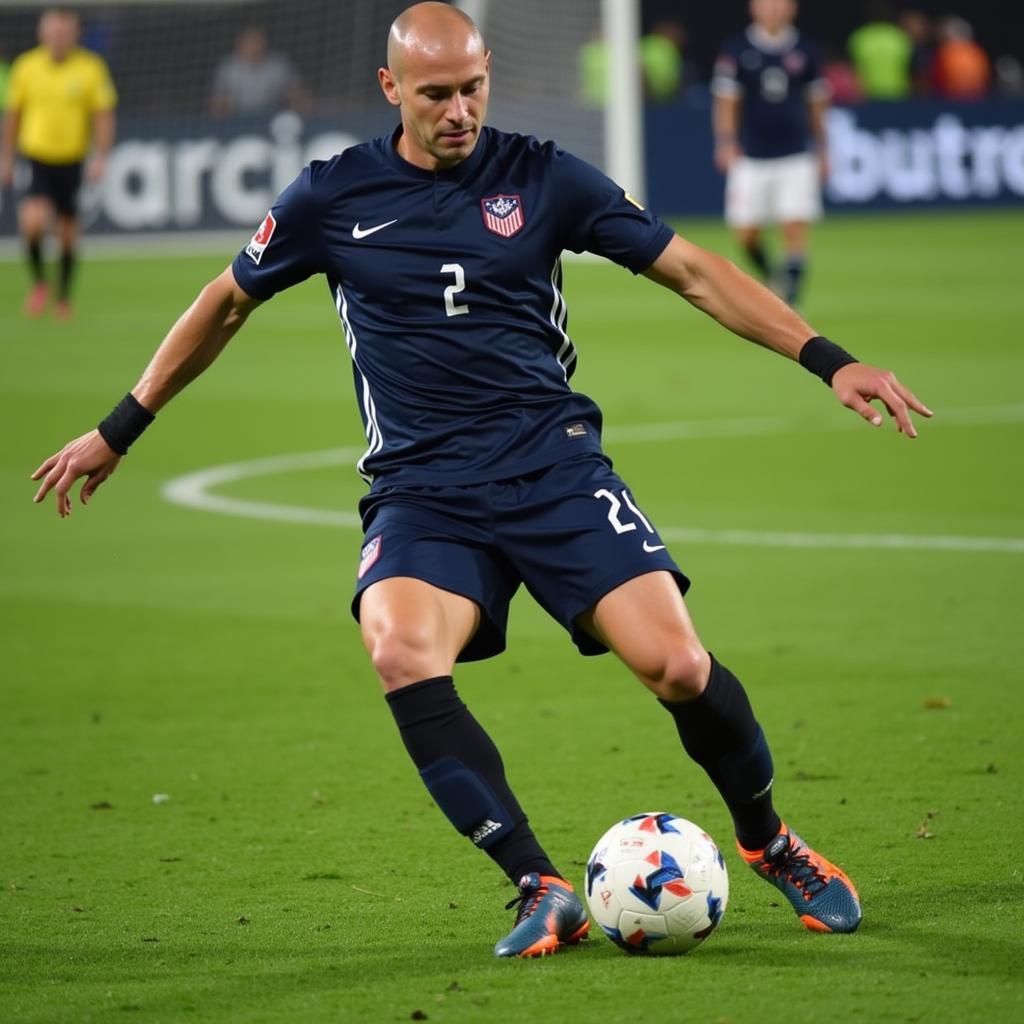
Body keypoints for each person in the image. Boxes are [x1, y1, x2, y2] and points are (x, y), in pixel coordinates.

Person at [32, 2, 932, 959]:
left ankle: (771, 842)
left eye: (471, 88)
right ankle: (540, 884)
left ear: (488, 73)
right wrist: (120, 427)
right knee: (399, 649)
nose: (458, 110)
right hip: (423, 491)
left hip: (551, 468)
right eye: (435, 95)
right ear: (391, 90)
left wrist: (828, 358)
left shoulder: (543, 175)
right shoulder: (331, 196)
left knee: (676, 665)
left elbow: (696, 273)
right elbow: (223, 304)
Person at [711, 0, 829, 308]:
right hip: (751, 155)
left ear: (792, 8)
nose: (773, 9)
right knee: (746, 234)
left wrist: (823, 147)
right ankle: (774, 276)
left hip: (795, 154)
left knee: (794, 225)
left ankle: (791, 298)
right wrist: (725, 142)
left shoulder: (806, 49)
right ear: (754, 8)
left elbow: (816, 102)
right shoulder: (737, 50)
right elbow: (726, 101)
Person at [0, 7, 117, 319]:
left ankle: (63, 297)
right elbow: (13, 116)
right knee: (33, 224)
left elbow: (103, 115)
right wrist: (7, 156)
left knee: (67, 232)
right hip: (37, 156)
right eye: (53, 32)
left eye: (64, 32)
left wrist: (101, 156)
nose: (58, 38)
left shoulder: (90, 68)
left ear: (75, 34)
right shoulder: (26, 67)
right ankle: (40, 283)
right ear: (42, 33)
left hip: (72, 159)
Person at [210, 26, 309, 119]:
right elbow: (218, 103)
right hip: (238, 117)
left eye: (258, 41)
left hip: (271, 115)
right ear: (239, 44)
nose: (255, 46)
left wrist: (299, 110)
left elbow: (297, 94)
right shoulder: (229, 67)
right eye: (250, 42)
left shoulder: (278, 65)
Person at [848, 1, 912, 100]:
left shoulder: (859, 37)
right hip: (897, 93)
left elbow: (853, 69)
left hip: (868, 94)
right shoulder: (899, 37)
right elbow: (910, 69)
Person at [931, 17, 991, 100]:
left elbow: (937, 78)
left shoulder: (946, 52)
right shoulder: (978, 51)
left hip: (950, 99)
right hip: (974, 99)